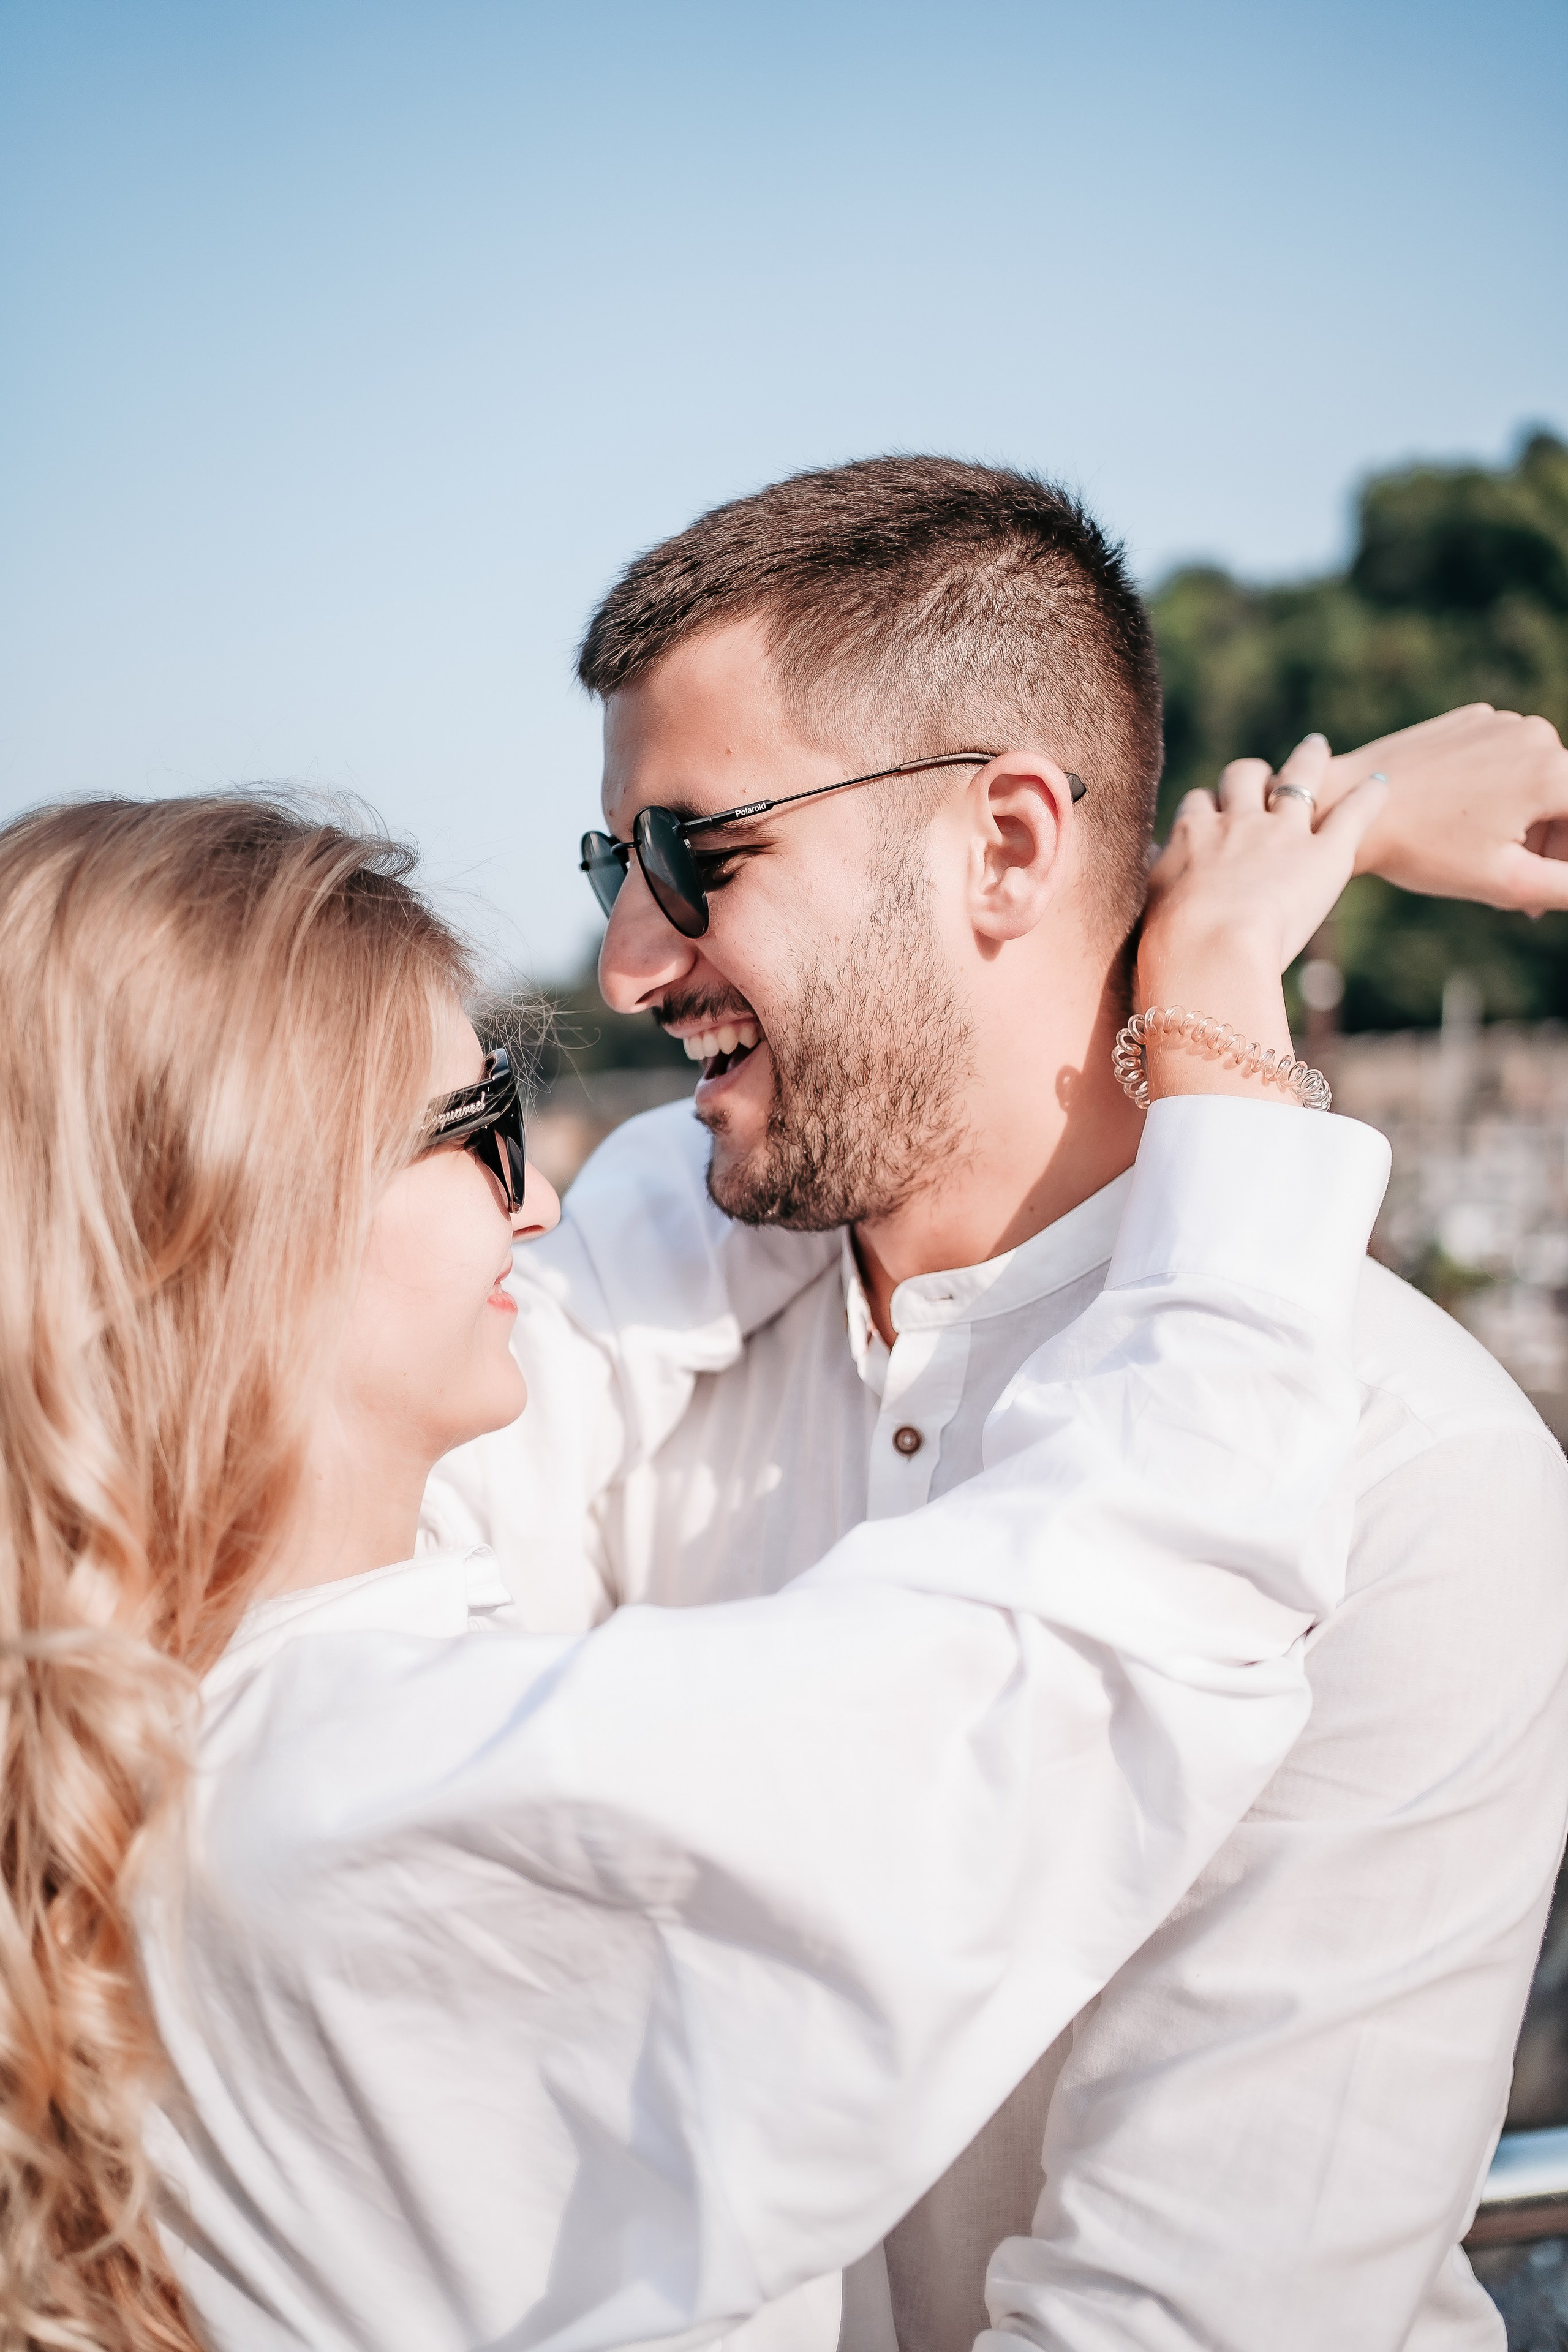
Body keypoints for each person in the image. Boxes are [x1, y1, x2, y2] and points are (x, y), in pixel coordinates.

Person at [0, 784, 1392, 2352]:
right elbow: (1130, 1619)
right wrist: (1212, 1023)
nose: (533, 1201)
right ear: (251, 1221)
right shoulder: (391, 1797)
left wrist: (1268, 837)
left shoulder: (167, 1724)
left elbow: (628, 1279)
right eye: (478, 1133)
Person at [425, 458, 1568, 2352]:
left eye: (698, 855)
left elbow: (1183, 2319)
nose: (629, 964)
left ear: (1012, 848)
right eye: (607, 870)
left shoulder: (1425, 1485)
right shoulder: (640, 1268)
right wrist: (1324, 832)